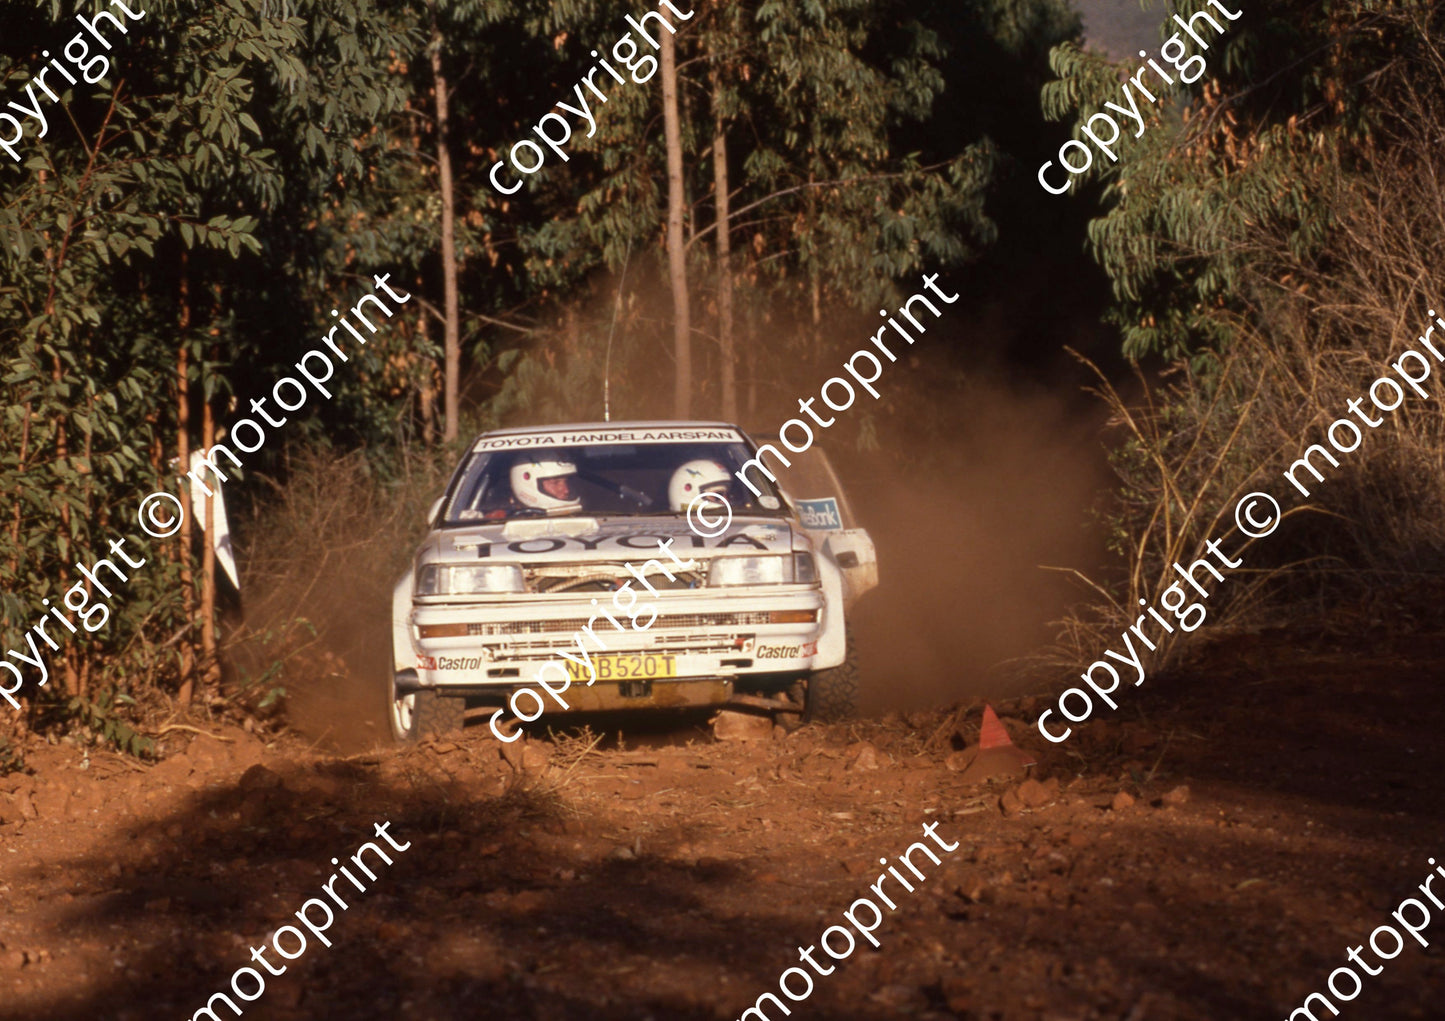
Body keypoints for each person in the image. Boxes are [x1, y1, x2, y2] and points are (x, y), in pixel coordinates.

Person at [509, 452, 582, 516]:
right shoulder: (502, 522)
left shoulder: (587, 516)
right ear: (527, 482)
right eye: (555, 483)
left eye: (567, 481)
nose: (566, 490)